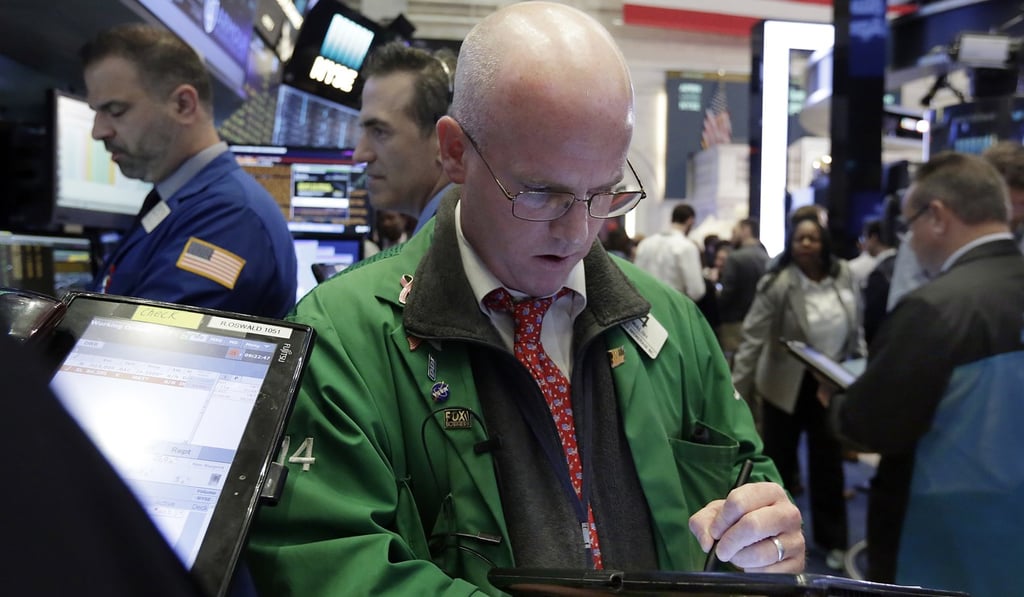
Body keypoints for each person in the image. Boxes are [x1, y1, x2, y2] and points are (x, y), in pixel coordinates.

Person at [246, 4, 804, 594]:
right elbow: (329, 566)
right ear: (455, 151)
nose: (577, 233)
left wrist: (769, 540)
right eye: (541, 193)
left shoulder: (672, 323)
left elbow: (750, 486)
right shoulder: (339, 339)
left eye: (605, 192)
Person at [823, 152, 1024, 595]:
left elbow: (874, 425)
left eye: (909, 223)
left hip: (945, 534)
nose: (908, 241)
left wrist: (837, 406)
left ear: (937, 216)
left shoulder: (934, 308)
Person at [81, 24, 296, 318]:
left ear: (183, 104)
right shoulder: (178, 199)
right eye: (96, 111)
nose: (98, 131)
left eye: (115, 110)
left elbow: (140, 354)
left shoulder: (229, 219)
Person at [731, 210, 863, 570]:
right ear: (791, 243)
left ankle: (832, 540)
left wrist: (858, 364)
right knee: (780, 465)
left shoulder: (844, 276)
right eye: (800, 238)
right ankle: (775, 543)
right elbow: (753, 338)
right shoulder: (778, 281)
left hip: (829, 384)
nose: (806, 244)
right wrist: (735, 394)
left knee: (828, 465)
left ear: (824, 243)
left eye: (813, 238)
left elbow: (856, 326)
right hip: (783, 386)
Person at [354, 41, 458, 234]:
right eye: (364, 131)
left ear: (444, 142)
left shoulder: (446, 247)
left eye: (379, 131)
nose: (359, 155)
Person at [716, 218, 768, 363]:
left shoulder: (735, 257)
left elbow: (727, 294)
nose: (732, 236)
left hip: (734, 324)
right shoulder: (766, 257)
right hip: (759, 323)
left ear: (746, 230)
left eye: (735, 231)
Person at [633, 203, 706, 301]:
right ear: (690, 220)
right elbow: (696, 290)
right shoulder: (687, 247)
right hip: (674, 306)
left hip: (646, 306)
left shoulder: (645, 243)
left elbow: (636, 277)